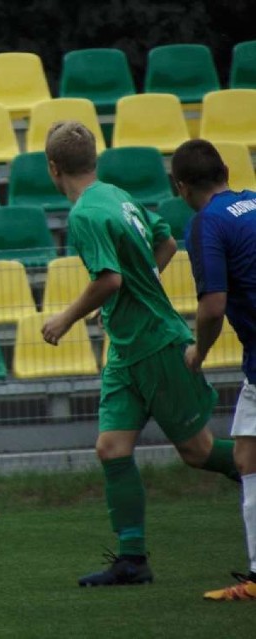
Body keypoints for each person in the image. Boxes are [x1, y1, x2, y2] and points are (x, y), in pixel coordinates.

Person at [41, 121, 239, 587]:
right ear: (94, 160)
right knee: (111, 449)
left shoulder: (85, 215)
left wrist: (66, 318)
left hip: (154, 344)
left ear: (53, 169)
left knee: (199, 452)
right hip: (126, 349)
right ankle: (132, 560)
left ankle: (251, 464)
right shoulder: (117, 194)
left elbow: (108, 279)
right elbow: (166, 240)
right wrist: (133, 288)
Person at [171, 138, 256, 601]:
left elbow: (212, 306)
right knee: (247, 458)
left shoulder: (207, 223)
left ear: (181, 187)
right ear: (225, 171)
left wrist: (198, 354)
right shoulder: (253, 203)